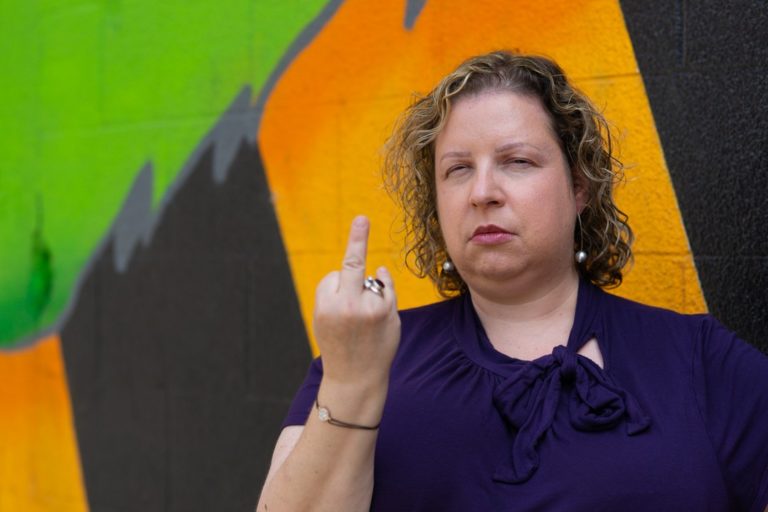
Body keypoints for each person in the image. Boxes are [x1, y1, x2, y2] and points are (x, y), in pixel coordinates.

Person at [257, 51, 768, 511]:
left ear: (579, 187)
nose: (482, 191)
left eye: (517, 161)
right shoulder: (365, 359)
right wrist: (351, 383)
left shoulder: (697, 361)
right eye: (457, 170)